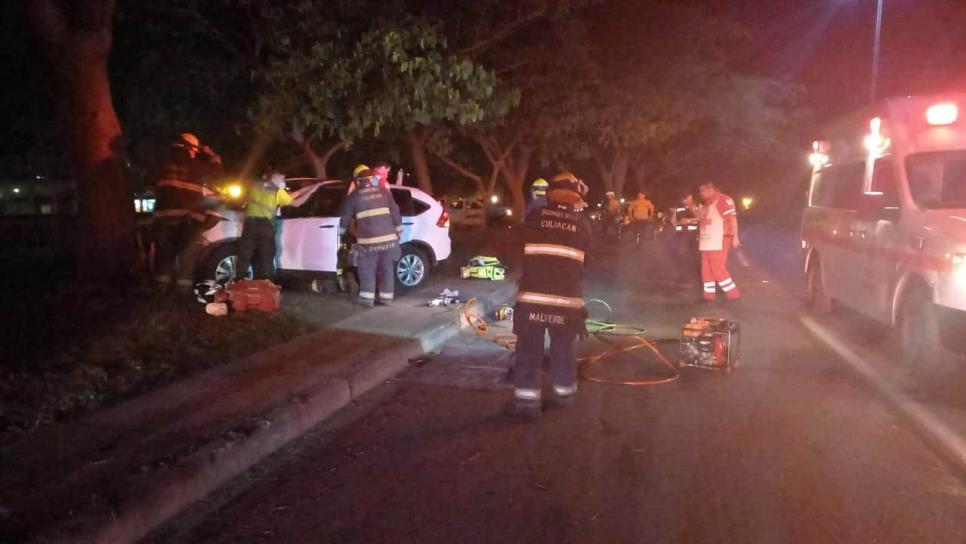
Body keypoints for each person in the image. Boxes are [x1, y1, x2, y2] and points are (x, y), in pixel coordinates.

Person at [509, 172, 592, 419]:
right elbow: (587, 259)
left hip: (532, 298)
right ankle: (564, 395)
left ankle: (526, 405)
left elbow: (519, 245)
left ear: (549, 195)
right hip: (566, 302)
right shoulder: (583, 225)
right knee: (563, 349)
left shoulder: (534, 217)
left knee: (528, 350)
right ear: (576, 197)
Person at [150, 132, 224, 289]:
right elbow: (217, 174)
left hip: (163, 220)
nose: (193, 154)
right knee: (187, 259)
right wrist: (212, 155)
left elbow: (149, 179)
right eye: (194, 151)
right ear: (189, 148)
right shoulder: (197, 166)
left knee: (164, 258)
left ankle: (160, 294)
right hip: (188, 221)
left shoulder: (161, 163)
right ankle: (183, 294)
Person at [339, 168, 402, 306]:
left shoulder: (354, 196)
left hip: (368, 242)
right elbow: (394, 210)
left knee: (367, 268)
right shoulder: (384, 191)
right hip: (388, 240)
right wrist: (399, 228)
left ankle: (367, 299)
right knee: (386, 268)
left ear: (358, 181)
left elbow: (345, 217)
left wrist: (341, 231)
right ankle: (386, 298)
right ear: (371, 179)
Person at [234, 170, 293, 281]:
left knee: (244, 255)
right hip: (265, 226)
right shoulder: (277, 191)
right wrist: (310, 190)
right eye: (281, 177)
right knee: (266, 256)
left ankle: (237, 283)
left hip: (250, 224)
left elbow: (239, 199)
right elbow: (295, 202)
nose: (282, 180)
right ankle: (266, 284)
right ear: (274, 178)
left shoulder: (254, 185)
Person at [691, 181, 741, 301]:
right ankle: (709, 296)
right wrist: (690, 207)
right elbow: (700, 218)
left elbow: (732, 218)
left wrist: (735, 235)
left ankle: (733, 294)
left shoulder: (723, 199)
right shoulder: (707, 203)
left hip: (720, 239)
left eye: (703, 190)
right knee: (706, 270)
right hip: (707, 240)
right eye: (700, 191)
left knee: (717, 269)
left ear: (711, 189)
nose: (701, 193)